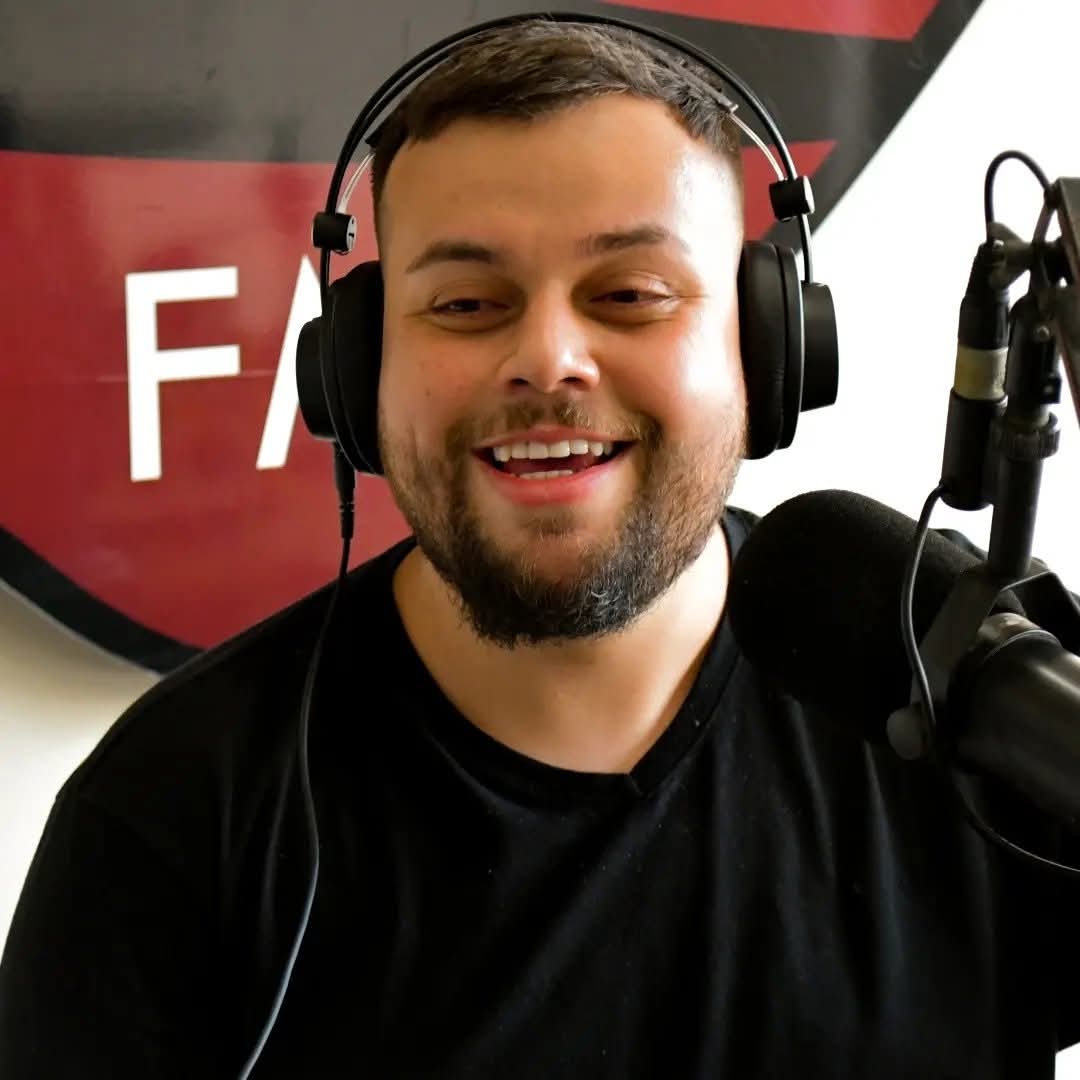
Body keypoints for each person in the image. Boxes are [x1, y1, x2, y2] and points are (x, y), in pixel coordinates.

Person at [1, 17, 1077, 1079]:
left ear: (769, 352)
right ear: (358, 372)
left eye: (631, 296)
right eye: (466, 303)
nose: (549, 357)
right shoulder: (168, 825)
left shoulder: (988, 706)